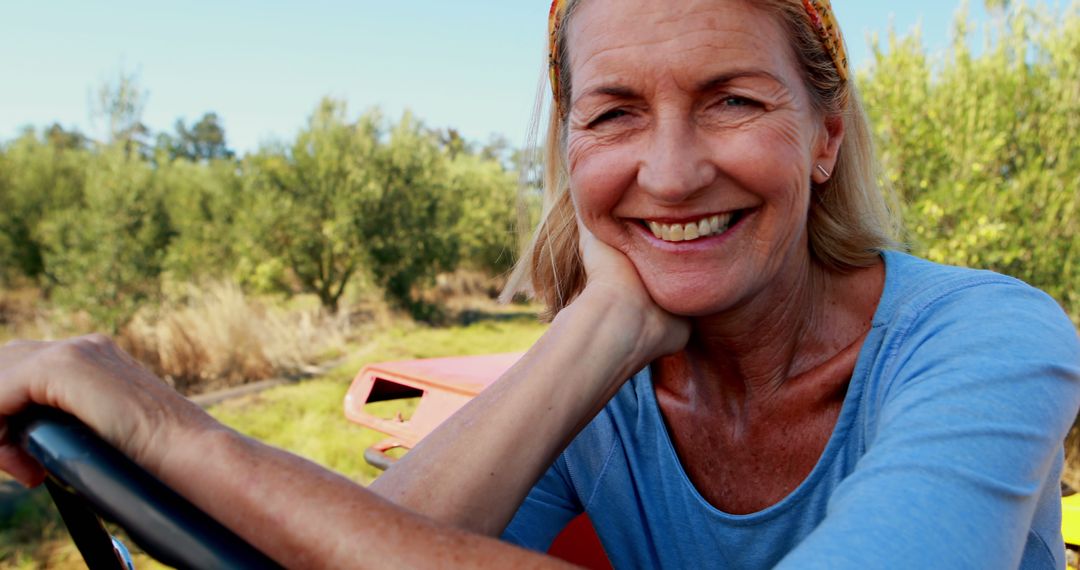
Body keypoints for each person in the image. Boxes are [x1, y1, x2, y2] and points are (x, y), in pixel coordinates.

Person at [0, 0, 1077, 568]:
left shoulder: (990, 341)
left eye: (732, 101)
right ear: (569, 152)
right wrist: (602, 326)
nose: (669, 170)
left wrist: (171, 433)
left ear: (826, 135)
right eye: (613, 115)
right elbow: (363, 549)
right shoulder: (607, 396)